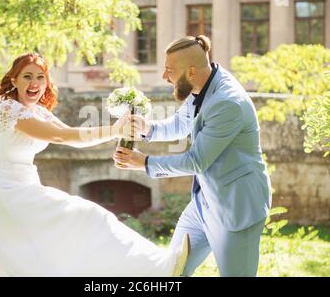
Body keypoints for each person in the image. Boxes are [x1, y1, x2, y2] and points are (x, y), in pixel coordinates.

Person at [0, 52, 189, 277]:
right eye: (27, 76)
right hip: (6, 196)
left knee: (66, 243)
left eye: (40, 77)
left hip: (25, 192)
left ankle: (158, 267)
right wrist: (115, 130)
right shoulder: (8, 110)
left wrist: (118, 132)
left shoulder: (38, 112)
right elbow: (60, 137)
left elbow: (71, 136)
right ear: (14, 80)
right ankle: (160, 269)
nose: (34, 83)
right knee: (87, 220)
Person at [113, 35, 272, 277]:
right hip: (202, 203)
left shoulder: (228, 103)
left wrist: (144, 163)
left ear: (191, 71)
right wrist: (148, 128)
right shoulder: (202, 83)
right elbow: (180, 124)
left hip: (236, 209)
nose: (164, 77)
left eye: (169, 71)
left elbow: (196, 161)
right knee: (170, 272)